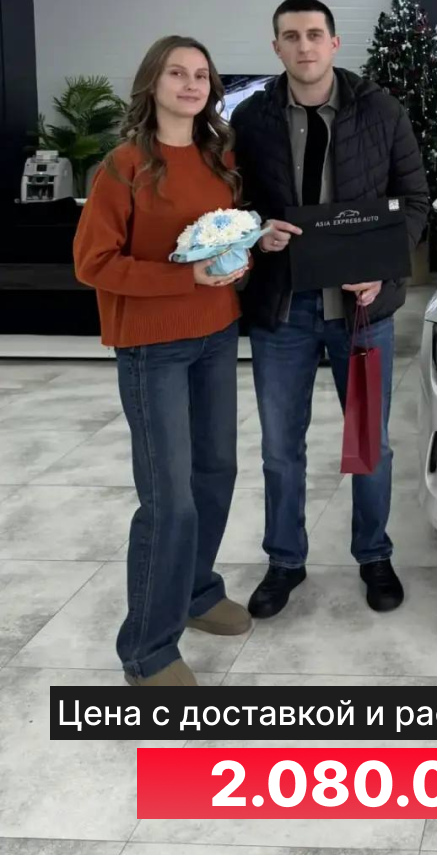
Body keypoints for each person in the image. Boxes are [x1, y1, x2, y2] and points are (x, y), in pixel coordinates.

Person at [231, 0, 429, 619]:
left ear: (335, 42)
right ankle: (284, 562)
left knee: (369, 444)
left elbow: (415, 201)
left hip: (361, 311)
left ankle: (374, 554)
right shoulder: (252, 117)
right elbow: (233, 203)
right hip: (283, 308)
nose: (304, 46)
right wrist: (256, 230)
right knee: (279, 448)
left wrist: (384, 265)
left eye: (314, 34)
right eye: (291, 36)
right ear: (276, 47)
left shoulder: (380, 110)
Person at [73, 36, 252, 687]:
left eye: (201, 74)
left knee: (216, 474)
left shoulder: (219, 157)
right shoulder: (123, 166)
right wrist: (187, 278)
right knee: (169, 500)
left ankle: (197, 592)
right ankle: (147, 652)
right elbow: (92, 263)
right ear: (152, 83)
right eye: (178, 73)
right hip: (154, 348)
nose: (191, 83)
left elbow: (224, 235)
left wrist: (244, 252)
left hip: (217, 333)